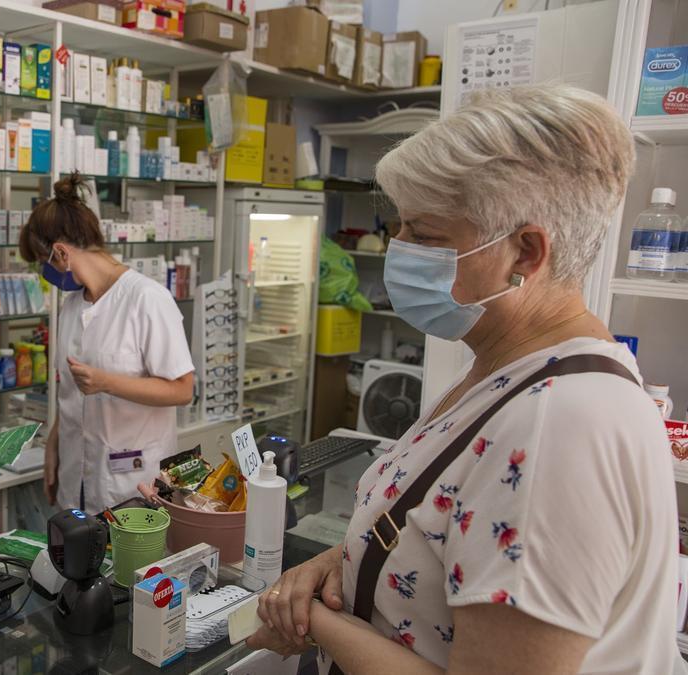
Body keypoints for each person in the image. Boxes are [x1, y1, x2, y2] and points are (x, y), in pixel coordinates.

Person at [248, 85, 684, 674]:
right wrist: (342, 562)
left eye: (426, 236)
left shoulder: (559, 423)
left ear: (525, 253)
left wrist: (312, 620)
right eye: (398, 227)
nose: (398, 250)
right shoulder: (505, 367)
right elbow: (443, 531)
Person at [18, 174, 194, 515]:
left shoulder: (146, 298)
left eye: (45, 263)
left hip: (132, 479)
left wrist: (107, 383)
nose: (47, 273)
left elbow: (182, 390)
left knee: (131, 565)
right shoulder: (72, 306)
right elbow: (72, 393)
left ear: (61, 252)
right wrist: (53, 445)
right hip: (76, 475)